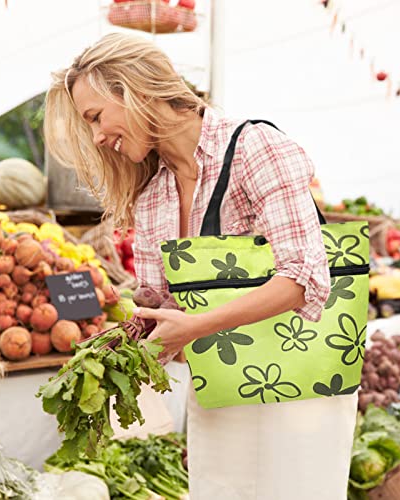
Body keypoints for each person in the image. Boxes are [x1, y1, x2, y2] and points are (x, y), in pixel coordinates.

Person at [44, 32, 358, 500]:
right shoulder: (153, 195)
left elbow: (302, 279)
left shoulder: (256, 148)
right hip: (222, 388)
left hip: (301, 388)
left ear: (135, 91)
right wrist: (118, 341)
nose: (97, 137)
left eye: (95, 117)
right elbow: (166, 311)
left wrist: (194, 327)